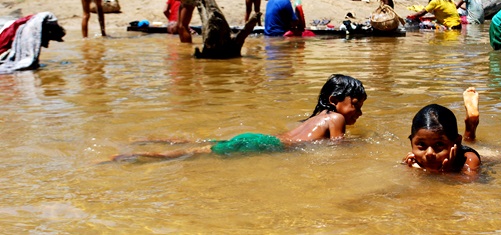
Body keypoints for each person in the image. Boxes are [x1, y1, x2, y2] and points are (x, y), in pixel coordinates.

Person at [110, 74, 367, 161]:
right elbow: (337, 150)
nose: (359, 112)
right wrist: (363, 145)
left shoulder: (316, 117)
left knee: (199, 144)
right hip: (264, 145)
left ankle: (145, 140)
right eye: (355, 105)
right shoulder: (336, 119)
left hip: (260, 139)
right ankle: (134, 157)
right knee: (196, 152)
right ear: (334, 101)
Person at [403, 87, 501, 176]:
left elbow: (470, 184)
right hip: (458, 144)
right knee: (469, 139)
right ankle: (471, 121)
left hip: (486, 154)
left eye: (439, 144)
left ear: (456, 142)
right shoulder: (416, 157)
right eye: (421, 144)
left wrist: (447, 172)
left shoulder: (470, 159)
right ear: (411, 142)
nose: (429, 153)